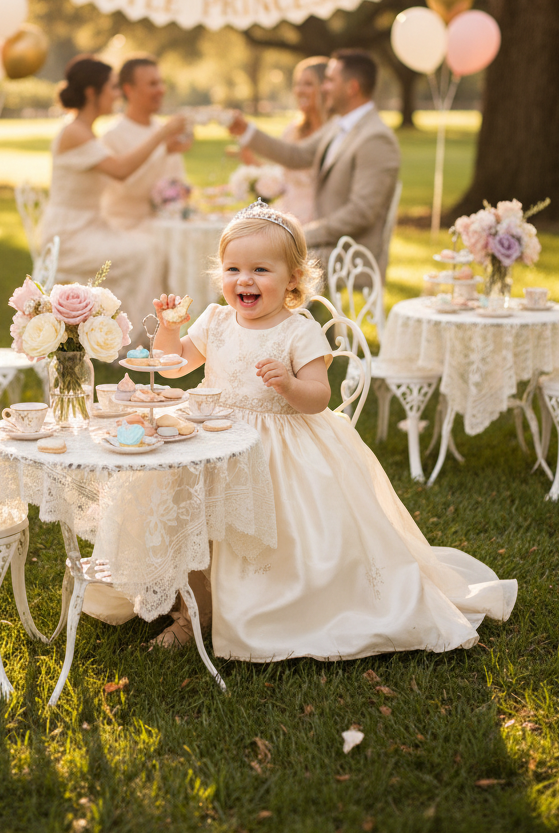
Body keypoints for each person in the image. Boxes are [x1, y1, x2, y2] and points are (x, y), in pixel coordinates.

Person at [151, 203, 517, 660]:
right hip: (214, 437)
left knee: (271, 535)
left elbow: (319, 397)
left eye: (260, 269)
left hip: (277, 449)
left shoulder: (298, 331)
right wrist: (169, 330)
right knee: (195, 519)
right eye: (233, 269)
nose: (244, 280)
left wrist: (287, 385)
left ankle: (268, 607)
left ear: (293, 278)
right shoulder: (215, 320)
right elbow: (175, 365)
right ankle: (194, 610)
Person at [39, 56, 187, 329]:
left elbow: (123, 173)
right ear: (91, 92)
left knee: (148, 248)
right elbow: (121, 170)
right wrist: (162, 134)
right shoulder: (75, 132)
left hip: (92, 225)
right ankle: (125, 338)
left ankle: (123, 331)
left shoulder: (86, 131)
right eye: (112, 88)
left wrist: (164, 149)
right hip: (70, 234)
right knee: (143, 253)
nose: (117, 95)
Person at [229, 50, 400, 276]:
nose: (324, 87)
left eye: (330, 80)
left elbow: (361, 212)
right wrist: (246, 131)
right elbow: (295, 155)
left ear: (352, 88)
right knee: (248, 257)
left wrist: (303, 235)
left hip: (351, 255)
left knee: (263, 262)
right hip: (326, 245)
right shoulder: (338, 125)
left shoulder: (376, 138)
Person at [100, 54, 191, 229]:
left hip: (166, 225)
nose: (161, 90)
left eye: (161, 83)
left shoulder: (164, 129)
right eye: (152, 84)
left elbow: (178, 183)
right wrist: (164, 151)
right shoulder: (111, 136)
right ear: (128, 90)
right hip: (125, 227)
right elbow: (127, 192)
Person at [238, 56, 329, 223]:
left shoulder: (333, 132)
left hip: (318, 218)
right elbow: (283, 174)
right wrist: (254, 165)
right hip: (286, 212)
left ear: (326, 88)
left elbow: (295, 156)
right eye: (298, 84)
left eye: (308, 84)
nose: (300, 90)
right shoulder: (292, 131)